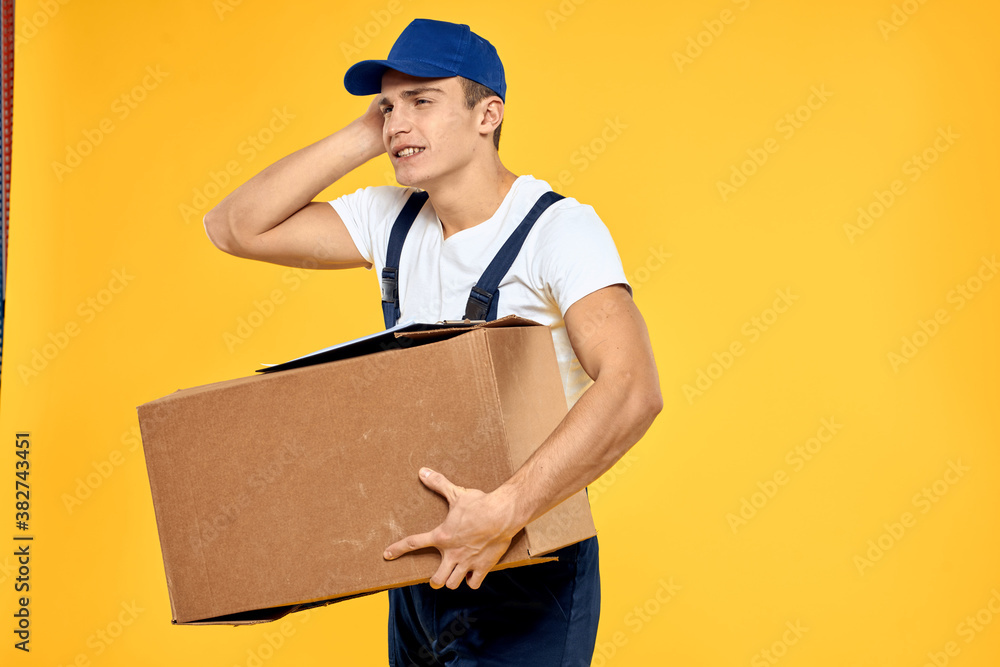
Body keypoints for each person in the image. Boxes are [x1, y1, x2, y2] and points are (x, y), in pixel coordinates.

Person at [203, 18, 661, 666]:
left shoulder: (558, 230)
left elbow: (633, 387)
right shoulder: (391, 216)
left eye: (422, 100)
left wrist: (503, 510)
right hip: (421, 570)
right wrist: (369, 134)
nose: (397, 123)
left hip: (526, 570)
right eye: (388, 105)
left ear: (487, 115)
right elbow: (233, 226)